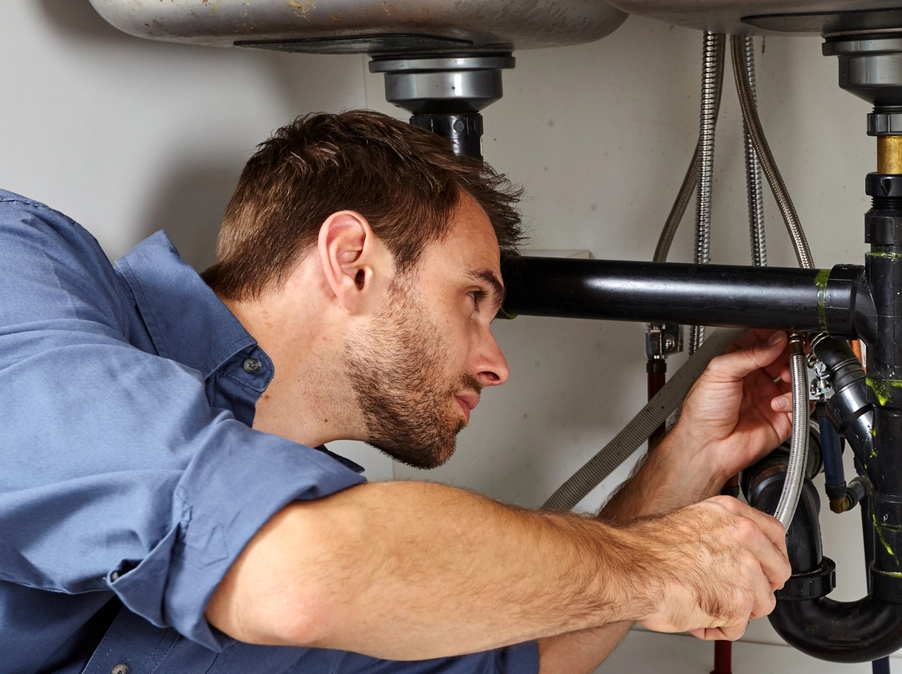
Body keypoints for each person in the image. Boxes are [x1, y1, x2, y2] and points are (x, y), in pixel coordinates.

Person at [0, 110, 797, 674]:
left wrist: (685, 463)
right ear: (351, 260)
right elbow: (298, 576)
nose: (496, 363)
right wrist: (652, 565)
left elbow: (521, 654)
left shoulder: (355, 546)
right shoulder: (25, 279)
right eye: (474, 299)